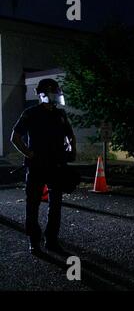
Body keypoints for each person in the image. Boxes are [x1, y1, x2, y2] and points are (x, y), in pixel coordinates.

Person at [10, 79, 76, 254]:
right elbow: (15, 137)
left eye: (56, 92)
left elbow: (70, 135)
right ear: (43, 94)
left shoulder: (60, 114)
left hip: (57, 166)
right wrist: (29, 153)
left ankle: (51, 240)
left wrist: (71, 149)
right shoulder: (30, 113)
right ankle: (34, 241)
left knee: (56, 205)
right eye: (52, 92)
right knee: (33, 205)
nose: (55, 96)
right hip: (37, 167)